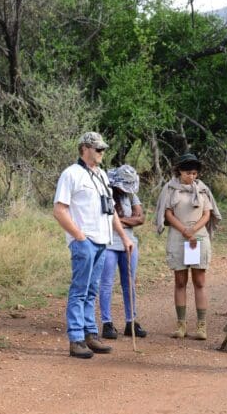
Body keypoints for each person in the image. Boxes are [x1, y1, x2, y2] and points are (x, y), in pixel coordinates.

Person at [53, 132, 133, 359]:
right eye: (98, 149)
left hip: (103, 241)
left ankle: (90, 334)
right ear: (84, 148)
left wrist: (124, 237)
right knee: (79, 291)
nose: (101, 153)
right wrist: (78, 236)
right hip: (85, 241)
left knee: (91, 291)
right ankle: (76, 338)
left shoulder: (102, 176)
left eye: (103, 149)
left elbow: (110, 212)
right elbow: (59, 210)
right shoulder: (71, 174)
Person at [155, 153, 221, 340]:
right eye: (188, 172)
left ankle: (201, 325)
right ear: (179, 171)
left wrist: (193, 230)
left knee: (199, 281)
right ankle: (181, 324)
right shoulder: (170, 189)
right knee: (180, 281)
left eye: (194, 173)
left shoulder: (202, 189)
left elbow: (207, 214)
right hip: (178, 237)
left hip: (197, 238)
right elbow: (167, 213)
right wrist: (184, 229)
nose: (191, 176)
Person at [99, 165, 147, 339]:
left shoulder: (131, 194)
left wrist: (119, 221)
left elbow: (140, 218)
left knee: (129, 283)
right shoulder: (105, 192)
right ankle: (107, 323)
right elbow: (105, 219)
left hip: (130, 244)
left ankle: (131, 321)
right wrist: (127, 221)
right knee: (106, 284)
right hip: (109, 243)